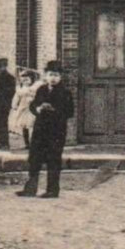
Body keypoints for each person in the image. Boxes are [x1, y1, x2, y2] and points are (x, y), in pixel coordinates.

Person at [17, 60, 74, 199]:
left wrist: (53, 110)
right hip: (40, 129)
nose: (53, 78)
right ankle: (30, 188)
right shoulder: (41, 89)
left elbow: (70, 112)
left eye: (56, 75)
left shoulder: (65, 92)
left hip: (56, 131)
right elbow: (33, 106)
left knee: (53, 159)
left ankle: (52, 190)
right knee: (34, 158)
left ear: (60, 77)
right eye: (50, 75)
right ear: (46, 76)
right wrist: (38, 108)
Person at [10, 68, 39, 148]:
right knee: (24, 126)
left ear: (32, 79)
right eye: (23, 80)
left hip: (32, 110)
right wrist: (14, 105)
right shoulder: (21, 89)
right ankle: (27, 143)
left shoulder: (35, 88)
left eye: (27, 79)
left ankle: (33, 142)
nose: (25, 81)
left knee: (32, 125)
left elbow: (38, 97)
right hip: (23, 109)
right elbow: (16, 97)